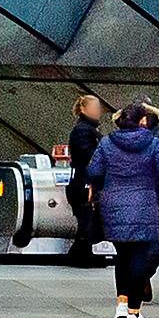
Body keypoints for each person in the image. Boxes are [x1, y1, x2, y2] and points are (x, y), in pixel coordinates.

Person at [90, 99, 159, 318]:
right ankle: (134, 314)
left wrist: (103, 188)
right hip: (144, 204)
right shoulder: (153, 143)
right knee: (139, 258)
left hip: (113, 205)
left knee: (122, 257)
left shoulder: (107, 142)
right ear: (142, 120)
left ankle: (121, 306)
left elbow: (93, 170)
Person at [64, 90, 109, 265]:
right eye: (95, 107)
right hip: (84, 181)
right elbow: (87, 155)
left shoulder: (89, 129)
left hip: (85, 179)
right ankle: (81, 253)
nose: (98, 110)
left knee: (88, 218)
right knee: (86, 216)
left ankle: (81, 252)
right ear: (84, 109)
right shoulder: (83, 130)